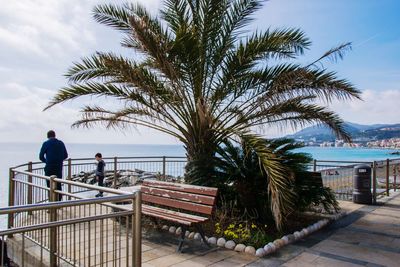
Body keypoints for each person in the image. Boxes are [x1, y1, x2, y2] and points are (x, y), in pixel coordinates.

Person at [39, 130, 68, 201]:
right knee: (58, 184)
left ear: (47, 136)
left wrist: (47, 161)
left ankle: (51, 204)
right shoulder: (61, 143)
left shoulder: (46, 143)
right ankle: (59, 202)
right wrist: (59, 160)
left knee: (50, 185)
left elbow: (41, 156)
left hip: (49, 167)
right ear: (55, 135)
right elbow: (66, 155)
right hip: (58, 167)